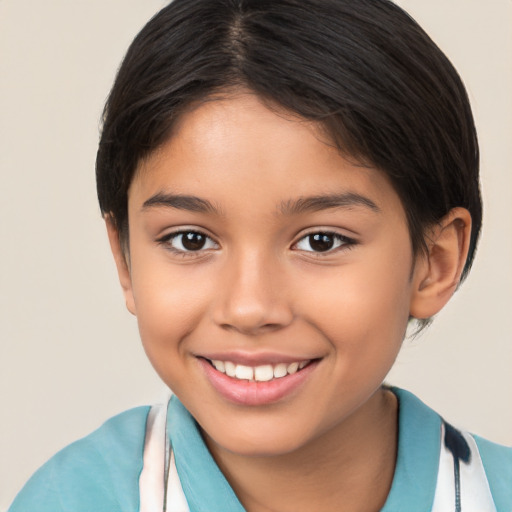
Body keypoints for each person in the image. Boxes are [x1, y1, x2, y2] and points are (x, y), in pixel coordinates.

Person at [8, 0, 512, 510]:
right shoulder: (69, 499)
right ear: (124, 259)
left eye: (321, 241)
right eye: (190, 240)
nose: (249, 308)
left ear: (435, 261)